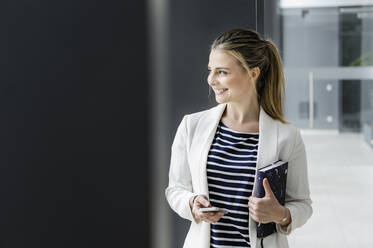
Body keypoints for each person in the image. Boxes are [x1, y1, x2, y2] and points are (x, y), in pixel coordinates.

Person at [165, 28, 312, 248]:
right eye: (210, 70)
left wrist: (280, 214)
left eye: (222, 72)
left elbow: (302, 204)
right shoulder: (191, 126)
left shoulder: (287, 137)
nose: (211, 80)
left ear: (253, 73)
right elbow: (175, 189)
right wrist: (192, 203)